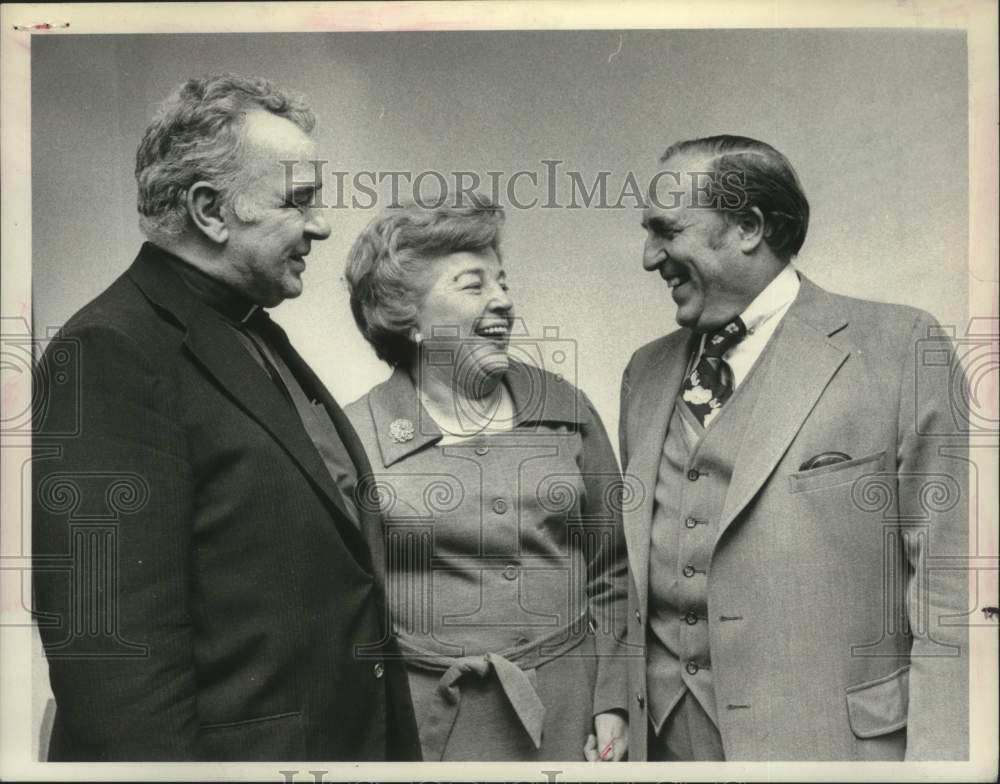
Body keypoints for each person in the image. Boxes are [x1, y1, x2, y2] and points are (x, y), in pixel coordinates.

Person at [31, 73, 419, 761]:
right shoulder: (110, 352)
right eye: (298, 201)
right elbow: (112, 659)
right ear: (211, 211)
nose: (323, 224)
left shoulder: (253, 330)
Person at [620, 135, 969, 761]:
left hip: (835, 750)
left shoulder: (900, 346)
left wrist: (942, 769)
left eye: (666, 231)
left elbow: (951, 587)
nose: (650, 258)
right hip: (668, 746)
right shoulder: (643, 375)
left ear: (749, 226)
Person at [342, 196, 630, 761]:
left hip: (572, 718)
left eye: (503, 282)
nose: (504, 300)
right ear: (409, 316)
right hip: (431, 728)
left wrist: (613, 698)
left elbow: (613, 569)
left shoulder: (564, 405)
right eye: (475, 286)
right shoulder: (354, 437)